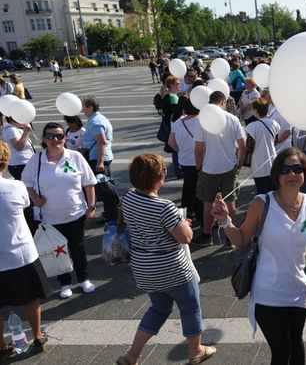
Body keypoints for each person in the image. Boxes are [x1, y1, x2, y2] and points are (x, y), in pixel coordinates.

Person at [212, 148, 306, 365]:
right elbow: (242, 240)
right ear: (276, 174)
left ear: (305, 172)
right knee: (281, 352)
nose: (291, 174)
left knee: (297, 347)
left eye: (297, 168)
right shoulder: (262, 203)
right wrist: (226, 221)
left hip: (298, 289)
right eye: (285, 169)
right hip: (268, 291)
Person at [117, 154, 216, 365]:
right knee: (190, 308)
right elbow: (186, 237)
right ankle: (196, 351)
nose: (165, 174)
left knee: (159, 309)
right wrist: (184, 224)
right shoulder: (164, 207)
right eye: (163, 172)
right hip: (172, 269)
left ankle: (132, 355)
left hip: (144, 268)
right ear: (157, 178)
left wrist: (178, 223)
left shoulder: (129, 198)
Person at [22, 122, 97, 299]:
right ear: (43, 139)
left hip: (75, 214)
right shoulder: (36, 160)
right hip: (49, 218)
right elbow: (26, 183)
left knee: (78, 248)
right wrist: (35, 199)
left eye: (59, 136)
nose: (55, 140)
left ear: (65, 138)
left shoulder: (75, 157)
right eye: (50, 136)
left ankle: (84, 278)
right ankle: (65, 282)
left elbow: (89, 183)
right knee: (58, 251)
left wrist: (91, 207)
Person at [0, 141, 51, 362]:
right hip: (21, 252)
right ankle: (38, 337)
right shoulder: (17, 186)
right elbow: (22, 207)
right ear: (5, 161)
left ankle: (1, 345)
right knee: (30, 298)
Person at [193, 91, 246, 246]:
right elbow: (242, 146)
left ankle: (206, 235)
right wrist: (239, 163)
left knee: (208, 204)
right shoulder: (233, 119)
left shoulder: (201, 121)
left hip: (209, 168)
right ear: (223, 102)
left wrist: (199, 167)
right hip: (229, 167)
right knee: (230, 202)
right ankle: (231, 237)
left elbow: (198, 149)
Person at [82, 95, 119, 223]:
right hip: (102, 156)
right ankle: (111, 212)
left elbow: (102, 141)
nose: (83, 111)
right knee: (106, 185)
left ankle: (111, 214)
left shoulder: (95, 122)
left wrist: (100, 161)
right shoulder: (101, 118)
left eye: (84, 108)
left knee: (104, 187)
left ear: (90, 108)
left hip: (97, 158)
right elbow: (109, 139)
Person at [169, 98, 203, 221]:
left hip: (184, 161)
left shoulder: (178, 122)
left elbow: (171, 143)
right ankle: (202, 215)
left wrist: (181, 151)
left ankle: (193, 212)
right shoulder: (202, 121)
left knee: (191, 187)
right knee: (202, 190)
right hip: (200, 160)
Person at [244, 97, 281, 194]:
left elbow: (249, 145)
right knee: (275, 191)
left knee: (262, 192)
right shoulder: (274, 123)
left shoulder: (252, 126)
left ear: (255, 110)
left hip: (258, 163)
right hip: (272, 160)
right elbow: (276, 140)